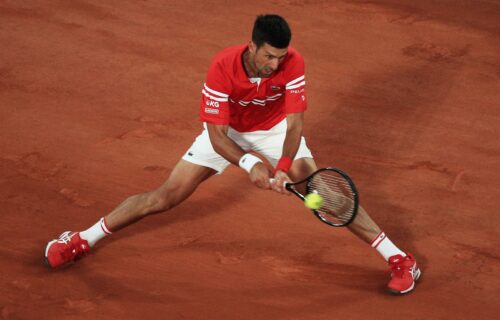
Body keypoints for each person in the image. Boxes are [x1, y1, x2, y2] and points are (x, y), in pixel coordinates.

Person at [45, 14, 420, 295]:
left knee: (320, 196)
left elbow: (294, 126)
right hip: (229, 135)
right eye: (270, 56)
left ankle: (399, 259)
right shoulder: (222, 66)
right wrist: (249, 163)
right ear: (253, 46)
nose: (276, 64)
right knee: (164, 197)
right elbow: (216, 133)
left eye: (281, 57)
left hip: (275, 132)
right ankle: (81, 238)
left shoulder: (294, 63)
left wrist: (285, 166)